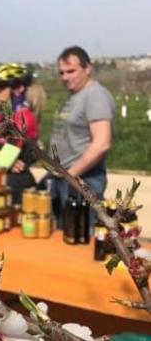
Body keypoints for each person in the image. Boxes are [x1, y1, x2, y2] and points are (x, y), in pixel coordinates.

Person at [49, 46, 114, 229]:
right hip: (64, 178)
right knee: (61, 237)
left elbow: (102, 143)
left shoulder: (95, 96)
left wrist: (71, 174)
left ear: (88, 68)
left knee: (78, 237)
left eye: (71, 71)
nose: (65, 77)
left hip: (82, 180)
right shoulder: (74, 96)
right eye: (61, 72)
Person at [0, 63, 43, 205]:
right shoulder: (0, 117)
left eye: (0, 88)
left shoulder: (22, 118)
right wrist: (1, 156)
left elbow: (3, 162)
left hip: (16, 185)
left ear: (18, 89)